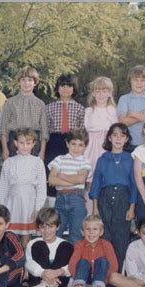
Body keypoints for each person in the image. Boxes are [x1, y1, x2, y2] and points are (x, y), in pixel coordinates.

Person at [89, 123, 137, 271]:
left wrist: (131, 208)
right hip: (105, 199)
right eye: (115, 135)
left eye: (122, 136)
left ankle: (119, 274)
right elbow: (96, 183)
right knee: (105, 238)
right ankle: (104, 274)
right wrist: (95, 208)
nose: (118, 139)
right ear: (109, 138)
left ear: (126, 139)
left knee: (121, 238)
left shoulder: (131, 159)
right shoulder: (103, 159)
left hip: (123, 199)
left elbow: (134, 184)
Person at [0, 128, 47, 248]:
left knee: (26, 236)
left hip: (29, 203)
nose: (24, 146)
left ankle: (24, 263)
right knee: (11, 236)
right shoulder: (8, 162)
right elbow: (3, 188)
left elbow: (41, 188)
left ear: (33, 144)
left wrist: (37, 208)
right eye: (21, 143)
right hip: (12, 203)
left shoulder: (37, 162)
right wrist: (2, 209)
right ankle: (13, 263)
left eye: (28, 143)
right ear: (15, 143)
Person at [47, 128, 92, 245]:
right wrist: (74, 181)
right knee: (55, 233)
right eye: (73, 144)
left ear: (85, 146)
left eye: (80, 145)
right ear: (67, 143)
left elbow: (81, 179)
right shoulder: (59, 159)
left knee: (76, 236)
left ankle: (73, 263)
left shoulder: (85, 162)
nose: (76, 148)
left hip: (77, 201)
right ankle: (56, 261)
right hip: (60, 199)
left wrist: (60, 175)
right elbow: (51, 179)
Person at [45, 74, 85, 203]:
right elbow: (46, 130)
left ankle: (70, 201)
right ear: (57, 88)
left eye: (69, 86)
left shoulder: (80, 108)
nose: (65, 89)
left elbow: (82, 130)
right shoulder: (49, 107)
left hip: (71, 142)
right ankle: (52, 205)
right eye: (62, 86)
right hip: (54, 142)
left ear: (74, 89)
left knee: (70, 170)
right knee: (52, 172)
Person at [23, 207, 74, 287]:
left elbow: (72, 266)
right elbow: (28, 263)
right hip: (38, 279)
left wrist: (59, 271)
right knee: (39, 245)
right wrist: (42, 273)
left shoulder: (64, 245)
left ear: (57, 226)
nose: (47, 231)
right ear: (38, 227)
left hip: (59, 282)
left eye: (50, 226)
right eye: (43, 227)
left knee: (66, 246)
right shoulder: (33, 243)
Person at [0, 66, 48, 161]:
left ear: (35, 83)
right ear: (19, 82)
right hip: (14, 141)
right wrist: (5, 149)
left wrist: (42, 152)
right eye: (23, 80)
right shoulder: (10, 102)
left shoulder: (40, 104)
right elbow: (3, 128)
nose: (26, 83)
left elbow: (44, 131)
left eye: (30, 80)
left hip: (34, 143)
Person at [68, 215, 118, 287]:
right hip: (83, 282)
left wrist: (104, 282)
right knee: (83, 262)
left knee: (103, 260)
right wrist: (85, 285)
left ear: (101, 232)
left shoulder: (107, 245)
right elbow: (72, 264)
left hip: (102, 282)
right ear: (82, 232)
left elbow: (114, 266)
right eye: (88, 229)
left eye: (95, 229)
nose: (91, 233)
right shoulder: (79, 244)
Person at [83, 76, 118, 181]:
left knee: (106, 174)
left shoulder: (112, 110)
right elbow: (86, 128)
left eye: (104, 91)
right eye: (98, 91)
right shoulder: (88, 111)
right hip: (90, 146)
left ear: (109, 93)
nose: (101, 94)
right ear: (93, 93)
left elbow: (115, 129)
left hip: (106, 145)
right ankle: (88, 196)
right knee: (89, 173)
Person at [117, 65, 145, 151]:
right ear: (130, 81)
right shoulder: (124, 99)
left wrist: (133, 114)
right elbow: (122, 122)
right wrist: (143, 115)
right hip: (127, 144)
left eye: (143, 80)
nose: (139, 83)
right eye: (135, 80)